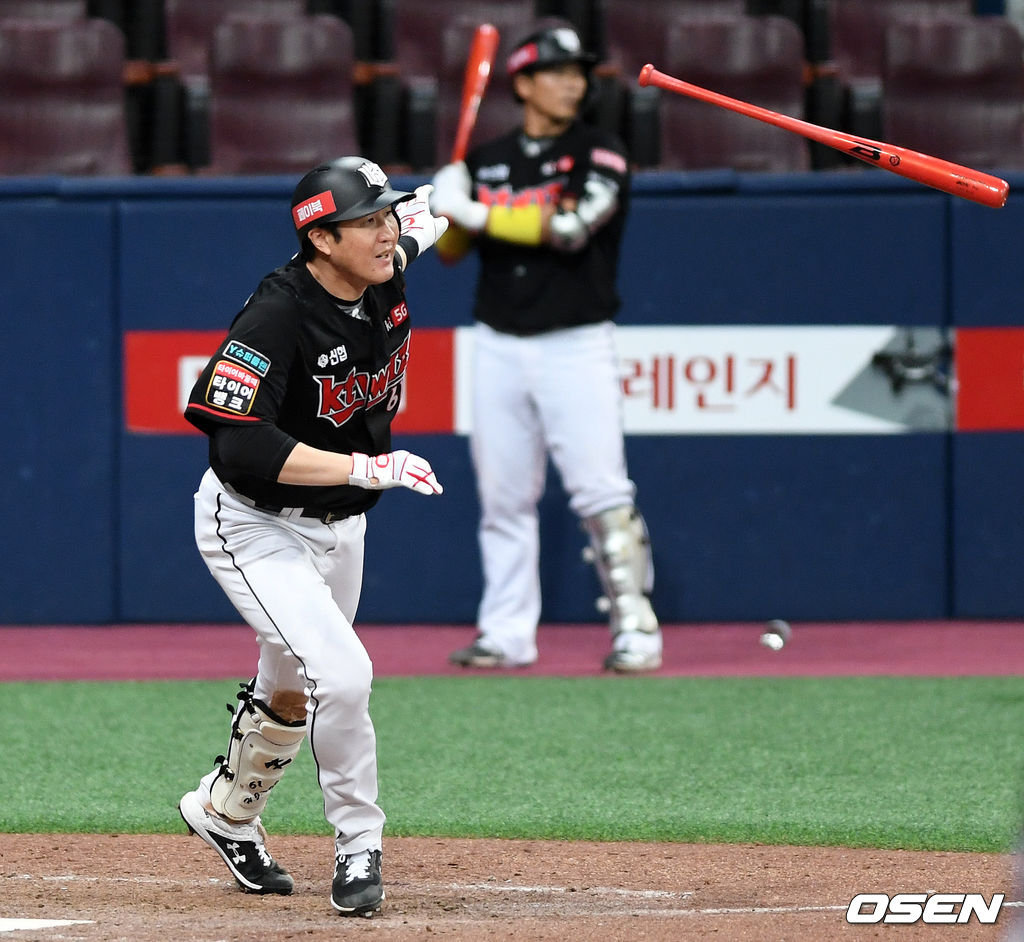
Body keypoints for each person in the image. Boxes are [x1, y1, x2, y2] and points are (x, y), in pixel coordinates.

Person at [176, 156, 448, 917]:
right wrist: (368, 466)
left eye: (389, 216)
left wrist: (429, 212)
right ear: (321, 239)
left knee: (292, 684)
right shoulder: (276, 313)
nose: (387, 231)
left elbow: (416, 233)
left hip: (342, 526)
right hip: (253, 524)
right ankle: (360, 843)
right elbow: (238, 444)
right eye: (369, 220)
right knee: (345, 675)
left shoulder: (381, 265)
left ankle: (226, 813)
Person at [429, 24, 662, 673]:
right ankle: (506, 633)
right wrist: (444, 205)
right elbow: (449, 255)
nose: (572, 83)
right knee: (503, 497)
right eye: (557, 73)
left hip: (576, 343)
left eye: (578, 73)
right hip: (498, 341)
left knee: (601, 490)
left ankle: (636, 628)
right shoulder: (488, 158)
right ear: (524, 84)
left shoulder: (601, 151)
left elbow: (570, 228)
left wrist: (473, 211)